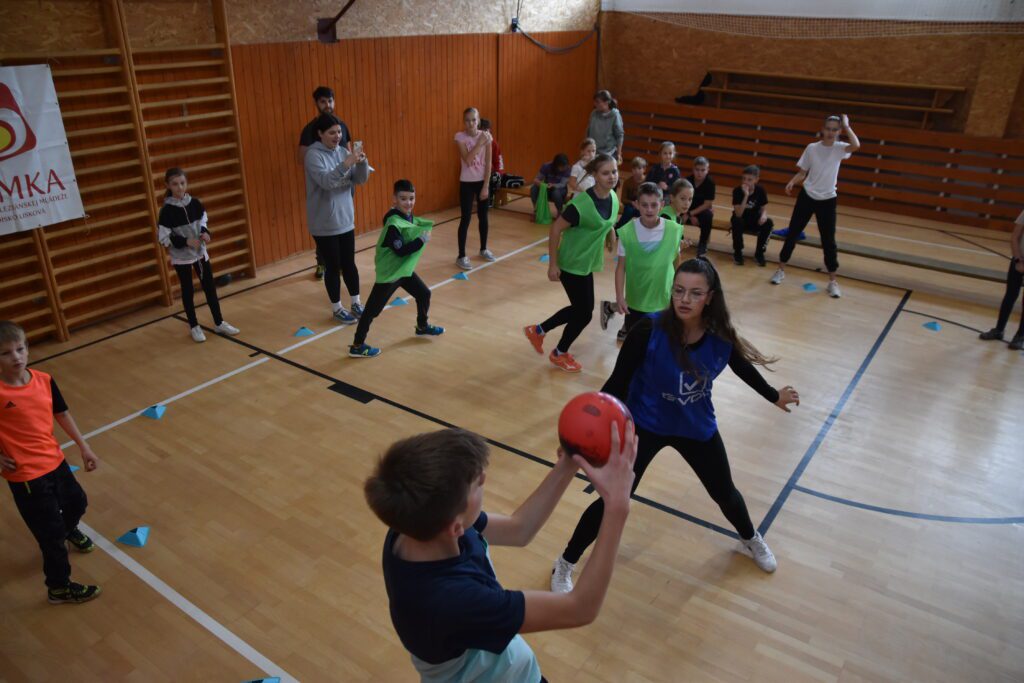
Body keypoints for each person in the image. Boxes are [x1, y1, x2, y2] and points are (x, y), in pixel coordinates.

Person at [551, 259, 802, 593]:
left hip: (696, 427)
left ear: (710, 297)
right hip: (645, 425)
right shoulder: (648, 330)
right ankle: (565, 562)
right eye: (679, 290)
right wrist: (582, 438)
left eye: (695, 293)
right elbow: (615, 385)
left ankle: (750, 538)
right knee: (613, 499)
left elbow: (741, 366)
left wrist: (773, 395)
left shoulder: (720, 337)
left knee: (724, 493)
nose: (684, 299)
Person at [365, 423, 637, 682]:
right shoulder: (453, 602)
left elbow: (519, 529)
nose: (484, 477)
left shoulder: (416, 526)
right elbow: (580, 608)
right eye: (477, 483)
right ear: (454, 526)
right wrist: (616, 507)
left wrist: (568, 463)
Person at [0, 321, 102, 604]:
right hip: (26, 477)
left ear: (27, 348)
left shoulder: (44, 380)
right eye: (6, 353)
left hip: (55, 462)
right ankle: (59, 588)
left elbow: (62, 414)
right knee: (51, 536)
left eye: (20, 349)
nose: (16, 357)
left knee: (77, 502)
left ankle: (68, 530)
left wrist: (84, 447)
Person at [524, 154, 620, 373]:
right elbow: (555, 229)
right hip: (571, 263)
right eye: (605, 173)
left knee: (581, 310)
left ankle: (538, 331)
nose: (612, 176)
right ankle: (558, 351)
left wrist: (610, 233)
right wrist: (552, 265)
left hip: (585, 262)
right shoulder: (581, 205)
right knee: (584, 313)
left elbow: (608, 221)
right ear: (594, 175)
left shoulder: (613, 196)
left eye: (614, 171)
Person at [348, 180, 444, 358]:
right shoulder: (393, 225)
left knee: (424, 293)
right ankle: (357, 345)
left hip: (403, 271)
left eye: (411, 198)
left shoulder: (408, 217)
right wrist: (420, 241)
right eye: (403, 199)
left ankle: (422, 326)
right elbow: (400, 251)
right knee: (371, 311)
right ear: (394, 199)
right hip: (391, 274)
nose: (408, 203)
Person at [770, 114, 860, 298]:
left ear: (838, 132)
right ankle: (780, 270)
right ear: (822, 129)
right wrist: (792, 181)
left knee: (829, 241)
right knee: (793, 233)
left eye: (834, 130)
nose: (830, 132)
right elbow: (803, 172)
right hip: (807, 196)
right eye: (828, 129)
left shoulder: (840, 148)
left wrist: (847, 126)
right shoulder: (812, 148)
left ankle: (832, 281)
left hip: (828, 200)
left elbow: (856, 145)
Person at [157, 167, 240, 343]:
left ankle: (219, 322)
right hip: (182, 258)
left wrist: (204, 233)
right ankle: (194, 326)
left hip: (200, 254)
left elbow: (203, 220)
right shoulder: (166, 211)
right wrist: (186, 241)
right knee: (188, 291)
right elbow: (164, 238)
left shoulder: (195, 203)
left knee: (209, 288)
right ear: (168, 185)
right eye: (175, 184)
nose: (180, 187)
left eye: (182, 183)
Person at [304, 113, 372, 325]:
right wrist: (346, 163)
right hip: (324, 223)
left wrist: (362, 163)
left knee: (349, 264)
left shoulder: (343, 151)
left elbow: (359, 180)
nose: (337, 136)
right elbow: (326, 182)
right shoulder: (313, 156)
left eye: (339, 132)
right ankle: (337, 308)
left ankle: (356, 303)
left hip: (345, 220)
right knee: (333, 266)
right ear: (320, 134)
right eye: (332, 132)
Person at [602, 182, 684, 343]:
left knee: (659, 343)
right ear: (637, 205)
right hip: (636, 301)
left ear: (662, 205)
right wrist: (619, 297)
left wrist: (679, 291)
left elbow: (677, 261)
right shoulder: (627, 232)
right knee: (636, 343)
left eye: (654, 205)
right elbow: (621, 268)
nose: (649, 209)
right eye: (645, 205)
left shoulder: (674, 230)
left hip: (664, 300)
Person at [298, 86, 353, 281]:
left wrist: (353, 167)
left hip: (343, 187)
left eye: (330, 100)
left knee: (343, 233)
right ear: (316, 104)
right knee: (326, 230)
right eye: (323, 101)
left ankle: (341, 265)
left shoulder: (342, 125)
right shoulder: (310, 129)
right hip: (324, 188)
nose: (327, 105)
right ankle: (322, 262)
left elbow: (349, 153)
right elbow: (303, 157)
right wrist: (325, 169)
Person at [979, 208, 1024, 350]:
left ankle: (1020, 336)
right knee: (1010, 295)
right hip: (1019, 260)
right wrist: (1018, 260)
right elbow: (1015, 237)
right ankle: (999, 330)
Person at [454, 107, 493, 270]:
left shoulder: (487, 137)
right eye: (467, 120)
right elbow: (468, 160)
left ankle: (483, 249)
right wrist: (479, 143)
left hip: (481, 182)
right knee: (466, 219)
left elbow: (488, 163)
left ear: (478, 121)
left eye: (474, 120)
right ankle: (461, 256)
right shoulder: (460, 137)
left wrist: (486, 186)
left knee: (483, 217)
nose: (471, 123)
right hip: (466, 183)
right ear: (464, 122)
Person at [730, 165, 774, 267]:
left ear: (756, 180)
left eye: (749, 179)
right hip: (741, 220)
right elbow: (739, 214)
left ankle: (759, 253)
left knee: (769, 223)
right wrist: (746, 195)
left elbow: (763, 208)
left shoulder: (760, 190)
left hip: (754, 220)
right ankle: (738, 251)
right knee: (737, 221)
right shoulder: (737, 191)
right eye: (744, 179)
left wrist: (763, 216)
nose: (745, 182)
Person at [480, 119, 524, 208]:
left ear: (489, 130)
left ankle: (489, 200)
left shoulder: (493, 144)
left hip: (491, 172)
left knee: (494, 177)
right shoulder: (475, 142)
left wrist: (498, 173)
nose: (484, 133)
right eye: (482, 130)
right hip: (479, 171)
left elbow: (498, 162)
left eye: (486, 130)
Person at [684, 157, 716, 258]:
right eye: (697, 170)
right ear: (693, 169)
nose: (699, 173)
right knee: (675, 214)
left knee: (708, 215)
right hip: (686, 209)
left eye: (703, 170)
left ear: (707, 170)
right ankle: (678, 239)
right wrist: (687, 214)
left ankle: (702, 243)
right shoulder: (686, 182)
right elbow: (682, 200)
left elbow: (707, 204)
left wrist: (690, 214)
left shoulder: (710, 183)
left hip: (700, 211)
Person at [586, 90, 624, 164]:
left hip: (608, 153)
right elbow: (588, 131)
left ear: (607, 102)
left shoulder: (615, 115)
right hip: (594, 153)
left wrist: (619, 154)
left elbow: (619, 135)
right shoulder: (594, 113)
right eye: (595, 102)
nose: (595, 104)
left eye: (598, 102)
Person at [530, 153, 572, 220]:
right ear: (556, 165)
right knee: (533, 189)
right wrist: (541, 184)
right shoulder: (546, 166)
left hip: (560, 189)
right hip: (547, 187)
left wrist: (553, 185)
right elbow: (536, 179)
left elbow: (562, 184)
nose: (564, 168)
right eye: (562, 167)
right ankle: (536, 210)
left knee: (556, 192)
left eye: (565, 166)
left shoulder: (568, 169)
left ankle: (560, 212)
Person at [614, 156, 648, 230]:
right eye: (634, 169)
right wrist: (632, 203)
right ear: (631, 169)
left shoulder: (647, 182)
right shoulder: (627, 182)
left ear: (644, 169)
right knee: (628, 211)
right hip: (631, 206)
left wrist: (641, 204)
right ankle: (618, 229)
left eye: (639, 168)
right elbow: (623, 199)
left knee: (646, 214)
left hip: (643, 206)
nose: (636, 171)